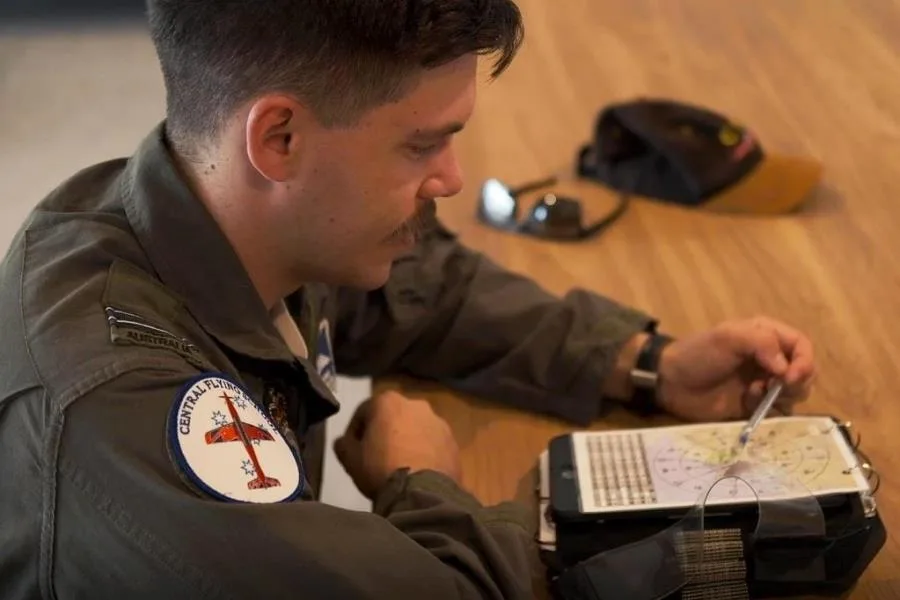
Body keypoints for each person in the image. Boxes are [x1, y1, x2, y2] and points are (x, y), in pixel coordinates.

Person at [0, 1, 815, 598]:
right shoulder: (121, 416)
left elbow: (425, 288)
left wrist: (647, 364)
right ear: (277, 138)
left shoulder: (241, 209)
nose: (454, 178)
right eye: (423, 143)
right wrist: (421, 483)